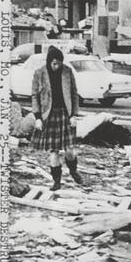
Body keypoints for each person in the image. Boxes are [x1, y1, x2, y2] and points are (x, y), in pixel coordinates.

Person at [30, 45, 83, 190]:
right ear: (49, 62)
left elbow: (74, 94)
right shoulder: (39, 73)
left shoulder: (67, 71)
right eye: (54, 63)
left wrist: (74, 115)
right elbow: (34, 96)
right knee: (54, 152)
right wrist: (38, 117)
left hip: (65, 115)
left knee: (70, 150)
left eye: (59, 63)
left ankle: (73, 171)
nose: (56, 66)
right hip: (49, 116)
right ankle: (57, 181)